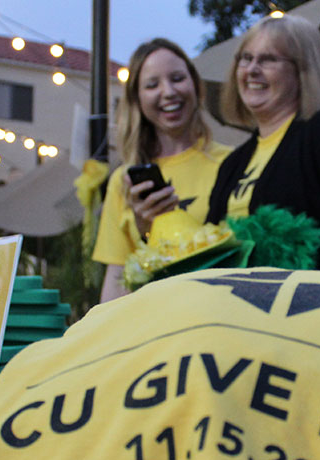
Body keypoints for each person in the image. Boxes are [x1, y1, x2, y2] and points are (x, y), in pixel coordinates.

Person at [206, 14, 320, 275]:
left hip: (312, 307)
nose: (252, 70)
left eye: (268, 59)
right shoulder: (233, 163)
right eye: (245, 59)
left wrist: (291, 259)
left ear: (304, 70)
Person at [92, 38, 231, 302]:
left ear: (195, 86)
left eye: (177, 78)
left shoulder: (233, 163)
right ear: (137, 99)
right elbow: (116, 274)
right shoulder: (123, 181)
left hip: (220, 317)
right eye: (152, 85)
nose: (168, 92)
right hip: (155, 327)